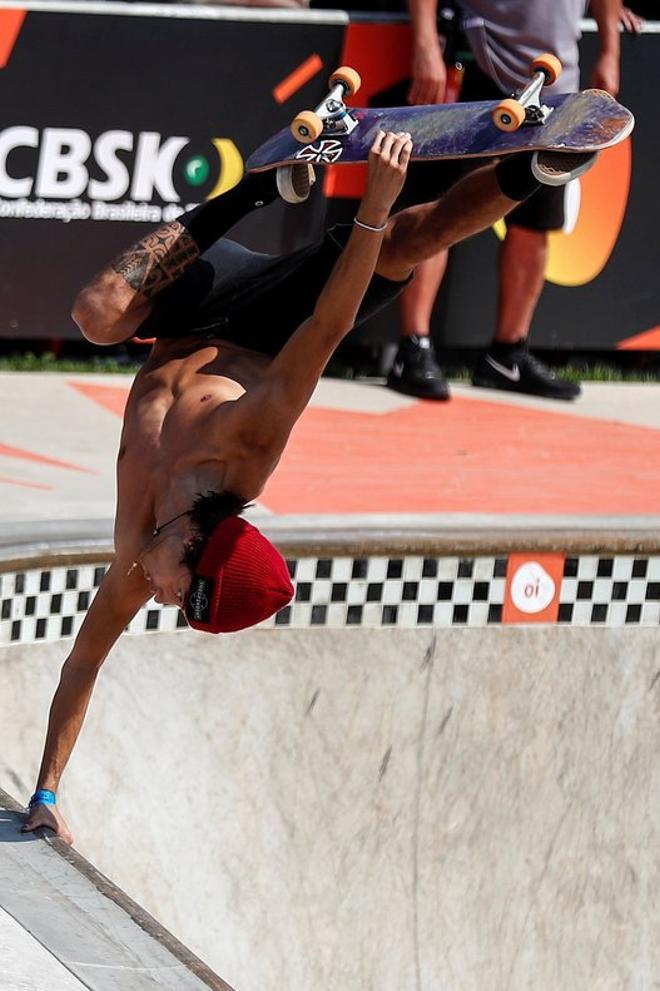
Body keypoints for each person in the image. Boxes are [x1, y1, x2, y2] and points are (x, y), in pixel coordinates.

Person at [21, 131, 594, 843]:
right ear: (197, 544)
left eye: (171, 603)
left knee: (99, 313)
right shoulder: (250, 445)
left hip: (186, 323)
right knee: (404, 241)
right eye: (180, 593)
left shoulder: (138, 554)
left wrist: (47, 790)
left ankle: (527, 168)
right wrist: (374, 211)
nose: (161, 599)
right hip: (275, 325)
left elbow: (82, 661)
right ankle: (272, 189)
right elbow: (327, 328)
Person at [387, 0, 626, 402]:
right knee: (435, 216)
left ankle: (506, 355)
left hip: (556, 83)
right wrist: (425, 45)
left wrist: (609, 52)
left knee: (536, 222)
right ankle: (413, 347)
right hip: (478, 67)